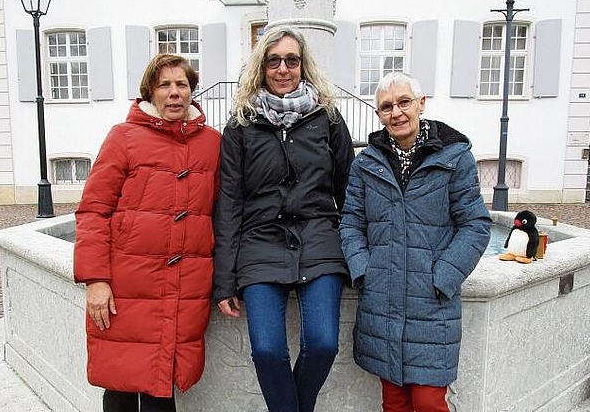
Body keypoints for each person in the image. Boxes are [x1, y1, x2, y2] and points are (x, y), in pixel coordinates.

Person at [212, 26, 355, 412]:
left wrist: (357, 255)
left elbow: (349, 190)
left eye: (291, 60)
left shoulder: (327, 118)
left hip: (319, 240)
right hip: (259, 245)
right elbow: (228, 203)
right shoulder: (241, 125)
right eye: (273, 60)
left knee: (324, 343)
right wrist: (224, 279)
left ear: (303, 66)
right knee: (267, 349)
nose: (282, 69)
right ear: (261, 66)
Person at [73, 54, 221, 412]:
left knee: (162, 388)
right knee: (120, 384)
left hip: (183, 287)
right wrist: (95, 279)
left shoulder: (213, 143)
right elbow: (93, 210)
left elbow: (223, 213)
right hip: (126, 287)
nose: (174, 93)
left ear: (192, 92)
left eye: (181, 85)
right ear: (150, 93)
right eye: (164, 85)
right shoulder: (123, 138)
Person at [340, 72, 491, 412]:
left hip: (431, 303)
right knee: (393, 403)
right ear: (379, 114)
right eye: (386, 107)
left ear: (421, 104)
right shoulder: (366, 164)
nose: (396, 112)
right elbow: (350, 221)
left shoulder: (454, 158)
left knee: (428, 403)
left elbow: (476, 224)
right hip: (383, 300)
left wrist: (443, 277)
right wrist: (365, 271)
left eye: (404, 102)